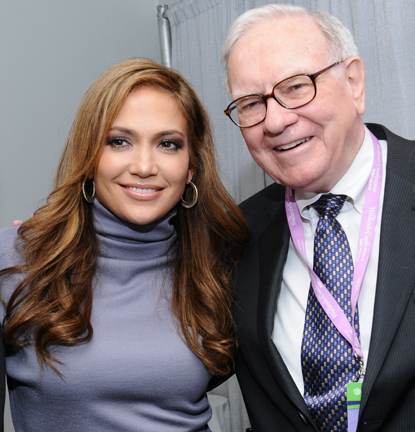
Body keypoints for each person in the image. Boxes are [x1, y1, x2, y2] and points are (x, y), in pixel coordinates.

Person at [0, 58, 250, 432]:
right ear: (90, 156)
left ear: (191, 166)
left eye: (168, 144)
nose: (144, 165)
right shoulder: (17, 262)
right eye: (120, 141)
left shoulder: (217, 269)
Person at [221, 4, 415, 432]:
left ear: (354, 82)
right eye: (251, 103)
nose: (274, 120)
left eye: (295, 87)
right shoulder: (235, 236)